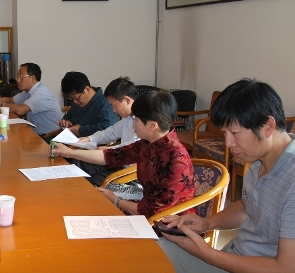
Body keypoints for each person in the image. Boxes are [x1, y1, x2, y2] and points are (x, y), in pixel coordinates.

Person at [158, 79, 295, 273]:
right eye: (225, 133)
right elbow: (248, 206)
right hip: (243, 269)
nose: (228, 144)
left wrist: (207, 253)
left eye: (234, 133)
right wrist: (207, 223)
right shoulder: (260, 161)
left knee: (158, 257)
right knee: (157, 268)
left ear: (268, 126)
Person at [54, 90, 196, 218]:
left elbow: (153, 211)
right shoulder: (148, 143)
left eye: (136, 120)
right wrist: (70, 152)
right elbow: (110, 156)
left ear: (153, 125)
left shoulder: (177, 160)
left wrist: (115, 200)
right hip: (145, 206)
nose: (133, 124)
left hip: (172, 222)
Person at [74, 76, 141, 186]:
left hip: (131, 173)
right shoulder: (127, 118)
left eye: (114, 105)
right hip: (118, 162)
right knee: (80, 165)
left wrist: (109, 149)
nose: (113, 110)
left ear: (127, 100)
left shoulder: (143, 120)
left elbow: (133, 147)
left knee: (89, 182)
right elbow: (110, 133)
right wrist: (89, 139)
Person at [0, 63, 61, 136]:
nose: (18, 80)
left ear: (33, 78)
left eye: (21, 76)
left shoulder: (41, 93)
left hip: (50, 137)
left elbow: (21, 110)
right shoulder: (28, 91)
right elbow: (11, 100)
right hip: (35, 133)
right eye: (17, 77)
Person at [57, 71, 118, 137]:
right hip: (71, 138)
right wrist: (66, 121)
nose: (75, 102)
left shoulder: (104, 103)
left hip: (91, 141)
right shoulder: (78, 101)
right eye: (72, 99)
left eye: (77, 98)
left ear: (87, 89)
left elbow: (108, 127)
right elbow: (69, 116)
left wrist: (81, 130)